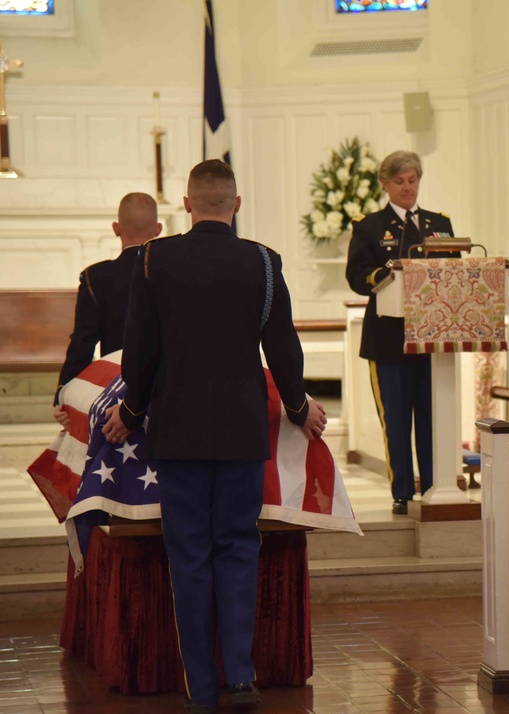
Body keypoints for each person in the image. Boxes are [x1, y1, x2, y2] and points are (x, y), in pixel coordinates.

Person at [102, 159, 327, 714]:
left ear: (186, 203)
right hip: (241, 430)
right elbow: (283, 348)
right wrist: (299, 407)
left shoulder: (155, 258)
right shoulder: (265, 263)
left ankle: (202, 687)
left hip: (177, 432)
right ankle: (243, 679)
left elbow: (141, 353)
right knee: (237, 550)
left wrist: (130, 411)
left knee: (190, 557)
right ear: (236, 204)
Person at [346, 150, 455, 515]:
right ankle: (402, 492)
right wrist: (385, 275)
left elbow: (451, 272)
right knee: (395, 420)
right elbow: (357, 276)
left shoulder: (439, 224)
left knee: (429, 417)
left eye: (412, 180)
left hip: (430, 339)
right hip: (387, 341)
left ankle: (434, 486)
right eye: (400, 181)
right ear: (385, 184)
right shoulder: (369, 226)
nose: (407, 188)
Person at [53, 192, 162, 426]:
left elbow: (83, 341)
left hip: (116, 388)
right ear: (158, 229)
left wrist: (63, 392)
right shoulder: (173, 273)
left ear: (116, 228)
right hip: (166, 390)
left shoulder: (96, 278)